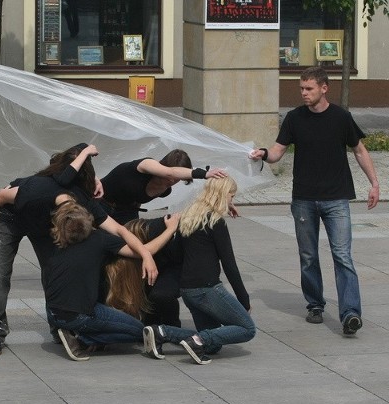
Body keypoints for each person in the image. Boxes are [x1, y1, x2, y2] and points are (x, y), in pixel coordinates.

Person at [249, 66, 380, 336]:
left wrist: (375, 184)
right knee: (308, 256)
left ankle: (351, 313)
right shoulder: (295, 118)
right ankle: (315, 305)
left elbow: (359, 150)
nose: (304, 93)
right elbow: (278, 151)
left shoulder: (341, 117)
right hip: (304, 200)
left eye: (309, 89)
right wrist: (263, 153)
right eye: (301, 89)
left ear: (324, 88)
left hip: (336, 199)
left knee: (342, 256)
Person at [0, 143, 101, 355]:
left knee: (54, 271)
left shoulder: (77, 188)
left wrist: (97, 182)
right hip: (9, 218)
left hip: (42, 223)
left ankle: (59, 325)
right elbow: (1, 195)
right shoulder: (39, 187)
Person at [45, 201, 179, 361]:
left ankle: (74, 332)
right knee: (140, 331)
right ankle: (81, 339)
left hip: (52, 313)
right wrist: (171, 229)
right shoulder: (100, 239)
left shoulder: (59, 245)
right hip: (78, 314)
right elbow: (146, 249)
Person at [143, 176, 256, 365]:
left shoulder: (189, 217)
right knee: (247, 328)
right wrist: (244, 300)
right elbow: (229, 264)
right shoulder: (215, 222)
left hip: (188, 290)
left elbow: (177, 255)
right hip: (208, 288)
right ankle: (197, 341)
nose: (232, 201)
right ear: (223, 195)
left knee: (212, 343)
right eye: (231, 196)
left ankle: (162, 332)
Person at [99, 149, 234, 224]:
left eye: (178, 180)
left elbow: (201, 196)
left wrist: (224, 200)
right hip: (100, 202)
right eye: (171, 177)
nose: (172, 181)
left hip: (126, 210)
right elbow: (171, 172)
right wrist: (205, 174)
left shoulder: (165, 190)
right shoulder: (146, 165)